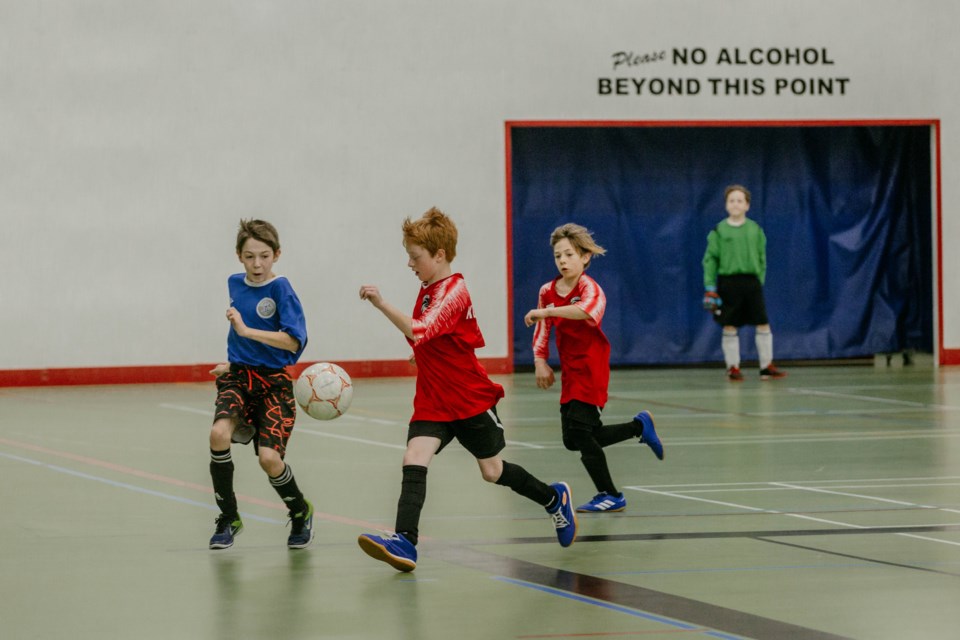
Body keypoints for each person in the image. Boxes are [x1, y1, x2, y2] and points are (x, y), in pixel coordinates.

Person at [356, 207, 577, 572]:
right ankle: (406, 542)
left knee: (491, 471)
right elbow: (431, 339)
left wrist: (381, 303)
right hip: (433, 397)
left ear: (439, 255)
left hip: (467, 395)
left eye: (415, 257)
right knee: (414, 456)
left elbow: (421, 330)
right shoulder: (427, 288)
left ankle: (554, 498)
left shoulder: (454, 290)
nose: (410, 264)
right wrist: (420, 357)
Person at [523, 223, 664, 514]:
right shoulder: (547, 291)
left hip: (591, 365)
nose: (562, 261)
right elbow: (542, 329)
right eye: (558, 256)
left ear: (585, 257)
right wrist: (540, 360)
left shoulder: (590, 288)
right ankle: (639, 427)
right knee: (573, 439)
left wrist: (546, 311)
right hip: (570, 368)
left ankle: (610, 494)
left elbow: (586, 311)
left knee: (580, 431)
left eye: (569, 255)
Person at [207, 219, 314, 550]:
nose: (257, 264)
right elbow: (243, 329)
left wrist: (247, 332)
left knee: (269, 459)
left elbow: (294, 342)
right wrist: (235, 361)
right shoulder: (234, 283)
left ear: (277, 255)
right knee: (218, 434)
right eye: (250, 256)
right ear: (239, 256)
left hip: (274, 384)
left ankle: (299, 510)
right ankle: (229, 517)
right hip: (239, 375)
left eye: (264, 256)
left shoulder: (282, 289)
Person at [702, 185, 787, 382]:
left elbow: (762, 257)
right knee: (730, 325)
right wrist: (710, 287)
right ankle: (733, 367)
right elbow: (710, 259)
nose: (735, 204)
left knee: (763, 323)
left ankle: (766, 366)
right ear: (726, 205)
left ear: (747, 205)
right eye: (731, 200)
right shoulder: (718, 231)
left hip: (751, 282)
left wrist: (759, 279)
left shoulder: (755, 229)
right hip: (728, 283)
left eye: (740, 201)